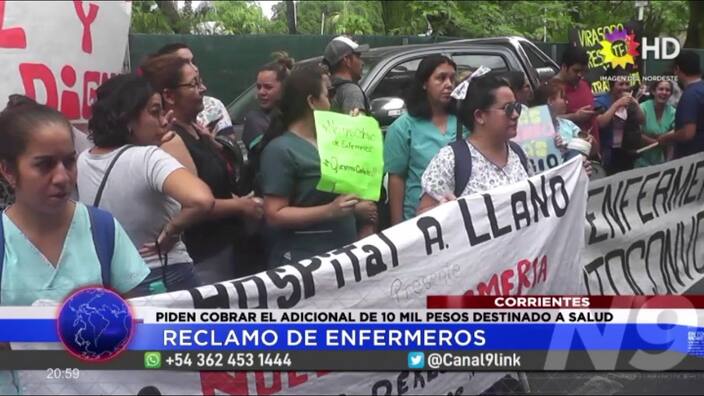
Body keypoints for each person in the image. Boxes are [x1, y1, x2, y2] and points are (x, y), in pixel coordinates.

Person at [78, 74, 216, 295]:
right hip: (166, 275)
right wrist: (171, 231)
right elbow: (201, 200)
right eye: (154, 112)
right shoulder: (149, 158)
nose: (163, 121)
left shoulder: (84, 158)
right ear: (128, 118)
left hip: (114, 282)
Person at [0, 103, 149, 304]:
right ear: (8, 171)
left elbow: (137, 315)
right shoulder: (5, 241)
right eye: (44, 164)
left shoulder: (102, 229)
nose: (62, 177)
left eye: (69, 162)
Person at [141, 54, 263, 284]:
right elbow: (196, 204)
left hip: (227, 246)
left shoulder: (196, 131)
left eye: (200, 81)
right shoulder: (171, 140)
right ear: (169, 95)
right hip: (206, 256)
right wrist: (242, 205)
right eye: (194, 84)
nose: (203, 89)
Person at [259, 65, 376, 268]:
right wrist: (328, 211)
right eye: (329, 94)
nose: (332, 101)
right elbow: (274, 214)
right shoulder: (280, 150)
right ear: (312, 101)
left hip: (343, 255)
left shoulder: (334, 142)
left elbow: (354, 183)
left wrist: (356, 136)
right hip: (303, 261)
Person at [417, 74, 532, 208]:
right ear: (479, 116)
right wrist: (443, 211)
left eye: (517, 107)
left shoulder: (519, 154)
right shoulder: (449, 160)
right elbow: (423, 216)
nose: (516, 115)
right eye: (508, 109)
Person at [384, 55, 463, 225]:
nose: (449, 84)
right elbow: (397, 179)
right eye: (441, 78)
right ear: (424, 83)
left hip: (458, 219)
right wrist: (397, 228)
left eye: (452, 78)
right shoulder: (403, 127)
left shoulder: (464, 122)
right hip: (418, 223)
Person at [154, 43, 234, 136]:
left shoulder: (214, 106)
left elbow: (230, 147)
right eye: (184, 63)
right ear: (169, 96)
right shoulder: (161, 124)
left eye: (193, 62)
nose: (194, 68)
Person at [594, 68, 645, 174]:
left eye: (627, 84)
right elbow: (600, 123)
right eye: (620, 84)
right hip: (607, 151)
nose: (625, 87)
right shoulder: (601, 101)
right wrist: (616, 105)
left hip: (625, 151)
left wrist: (635, 103)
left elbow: (641, 120)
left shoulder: (629, 102)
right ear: (612, 86)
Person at [242, 52, 294, 151]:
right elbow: (266, 151)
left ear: (285, 87)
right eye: (259, 87)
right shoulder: (254, 120)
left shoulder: (299, 116)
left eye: (268, 87)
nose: (261, 92)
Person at [532, 80, 598, 158]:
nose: (566, 102)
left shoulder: (568, 125)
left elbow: (592, 151)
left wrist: (591, 141)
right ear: (550, 101)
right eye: (562, 97)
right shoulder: (531, 131)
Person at [657, 51, 704, 158]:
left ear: (677, 69)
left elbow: (688, 133)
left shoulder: (690, 95)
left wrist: (667, 138)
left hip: (692, 159)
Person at [553, 46, 599, 149]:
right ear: (564, 67)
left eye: (583, 71)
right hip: (569, 154)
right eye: (576, 70)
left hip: (592, 151)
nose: (580, 75)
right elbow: (544, 121)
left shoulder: (584, 84)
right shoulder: (551, 90)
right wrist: (575, 117)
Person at [322, 35, 370, 114]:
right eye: (358, 57)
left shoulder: (323, 90)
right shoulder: (351, 92)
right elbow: (357, 125)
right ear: (347, 60)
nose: (362, 63)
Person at [634, 80, 675, 167]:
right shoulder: (643, 108)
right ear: (653, 91)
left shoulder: (673, 112)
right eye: (661, 89)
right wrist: (654, 142)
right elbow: (636, 132)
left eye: (667, 90)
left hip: (662, 162)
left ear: (670, 94)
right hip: (640, 159)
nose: (664, 92)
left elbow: (676, 133)